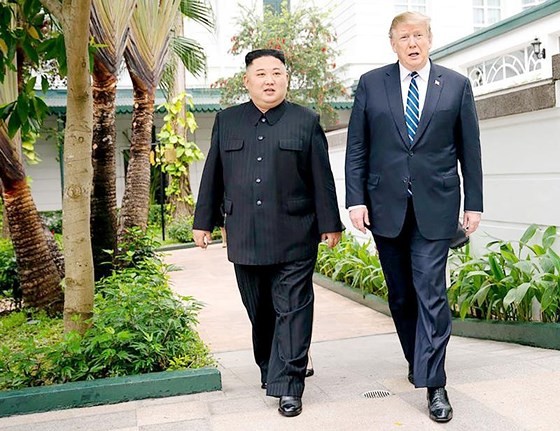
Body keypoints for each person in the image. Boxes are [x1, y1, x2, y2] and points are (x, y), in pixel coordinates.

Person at [345, 11, 483, 423]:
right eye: (404, 37)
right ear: (393, 43)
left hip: (436, 208)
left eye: (418, 35)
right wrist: (356, 200)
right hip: (385, 208)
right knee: (401, 295)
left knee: (431, 292)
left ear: (430, 38)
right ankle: (416, 359)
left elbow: (469, 149)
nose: (412, 43)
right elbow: (357, 147)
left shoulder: (455, 85)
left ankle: (435, 383)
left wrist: (472, 203)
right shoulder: (372, 84)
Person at [193, 48, 343, 418]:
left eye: (277, 73)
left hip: (295, 232)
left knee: (292, 307)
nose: (269, 79)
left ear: (286, 79)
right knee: (259, 310)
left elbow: (321, 179)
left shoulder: (305, 121)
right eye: (261, 73)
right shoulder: (227, 121)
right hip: (244, 233)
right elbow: (213, 173)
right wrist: (203, 221)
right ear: (247, 81)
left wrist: (329, 224)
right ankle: (270, 368)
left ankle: (289, 384)